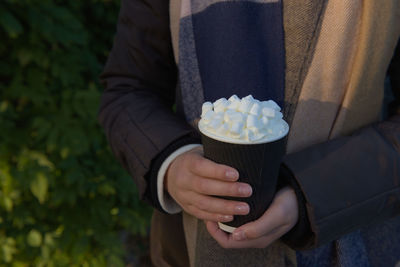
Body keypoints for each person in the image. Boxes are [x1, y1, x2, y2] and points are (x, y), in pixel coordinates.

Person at [98, 0, 400, 266]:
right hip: (187, 250)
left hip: (351, 235)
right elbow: (129, 90)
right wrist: (172, 162)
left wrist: (312, 192)